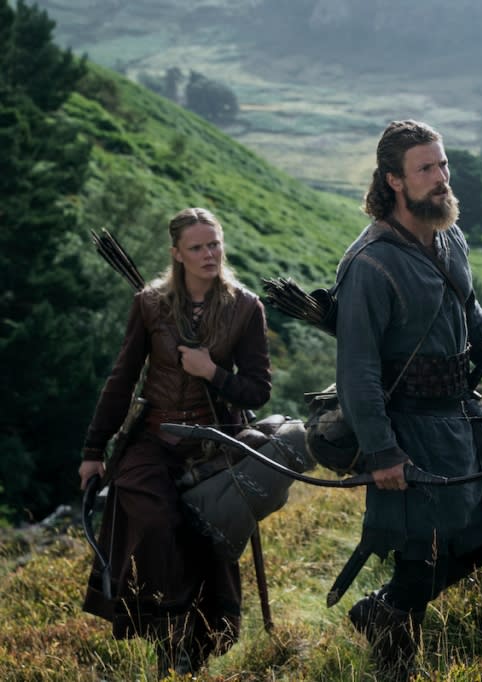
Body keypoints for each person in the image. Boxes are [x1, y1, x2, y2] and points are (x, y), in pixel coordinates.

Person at [335, 119, 482, 680]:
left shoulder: (448, 235)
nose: (441, 177)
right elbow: (357, 370)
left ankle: (382, 610)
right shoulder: (369, 265)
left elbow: (469, 311)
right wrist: (381, 452)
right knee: (417, 553)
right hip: (408, 429)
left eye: (442, 164)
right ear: (394, 180)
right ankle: (394, 657)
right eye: (427, 168)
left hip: (460, 416)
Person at [78, 208, 272, 677]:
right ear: (176, 254)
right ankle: (175, 628)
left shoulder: (246, 307)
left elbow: (258, 391)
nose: (209, 255)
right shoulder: (150, 304)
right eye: (197, 247)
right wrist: (92, 450)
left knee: (211, 537)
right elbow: (121, 379)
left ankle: (195, 645)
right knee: (158, 522)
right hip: (154, 437)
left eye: (214, 244)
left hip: (216, 438)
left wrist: (213, 373)